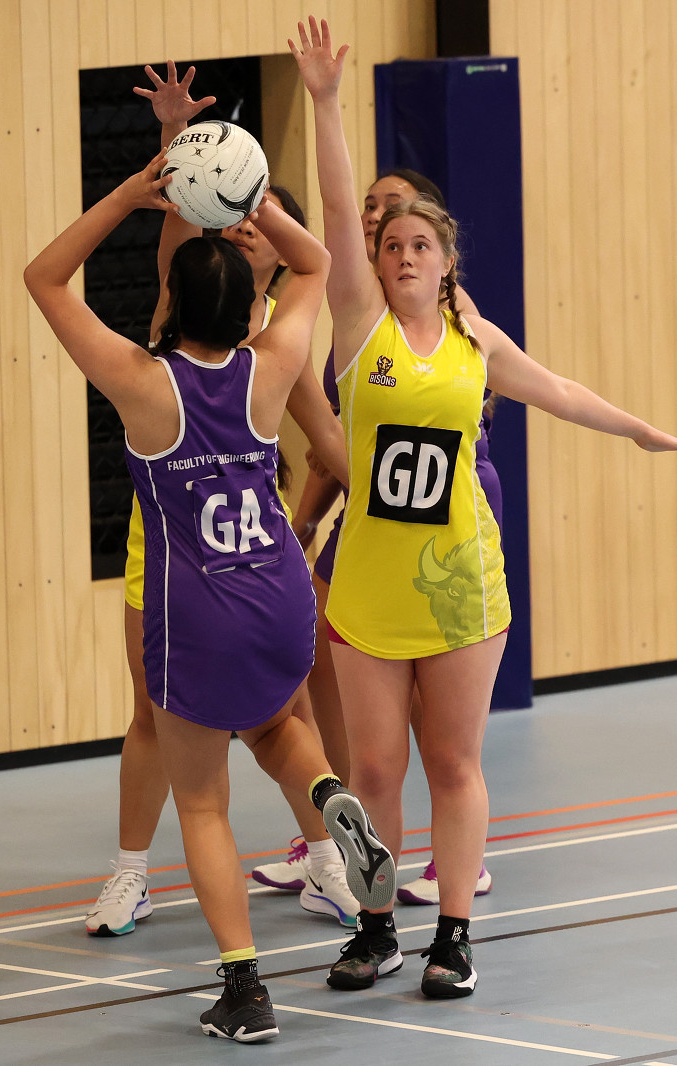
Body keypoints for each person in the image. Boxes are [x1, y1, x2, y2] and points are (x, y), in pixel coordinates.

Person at [291, 16, 677, 999]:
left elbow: (560, 392)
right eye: (390, 244)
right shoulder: (358, 332)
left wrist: (643, 430)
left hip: (460, 584)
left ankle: (455, 936)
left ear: (446, 260)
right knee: (373, 770)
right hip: (370, 586)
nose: (401, 254)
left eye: (419, 244)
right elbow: (339, 211)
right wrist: (325, 103)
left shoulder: (478, 344)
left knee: (452, 760)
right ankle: (376, 928)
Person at [26, 150, 396, 1043]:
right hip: (279, 595)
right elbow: (316, 263)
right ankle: (329, 797)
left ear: (171, 306)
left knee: (202, 804)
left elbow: (44, 278)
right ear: (244, 311)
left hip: (197, 614)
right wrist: (257, 200)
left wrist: (130, 194)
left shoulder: (141, 383)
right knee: (276, 730)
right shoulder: (271, 367)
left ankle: (243, 988)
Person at [85, 64, 364, 941]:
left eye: (253, 222)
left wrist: (334, 504)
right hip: (180, 547)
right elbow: (179, 234)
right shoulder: (197, 319)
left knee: (274, 719)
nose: (241, 230)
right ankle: (132, 873)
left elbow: (328, 443)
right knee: (158, 714)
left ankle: (325, 863)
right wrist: (178, 144)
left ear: (273, 249)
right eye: (233, 219)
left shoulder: (272, 339)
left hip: (234, 556)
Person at [258, 167, 498, 907]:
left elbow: (545, 388)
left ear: (441, 250)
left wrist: (639, 431)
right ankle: (349, 843)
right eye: (373, 212)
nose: (377, 220)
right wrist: (305, 520)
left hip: (445, 514)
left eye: (399, 217)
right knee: (355, 695)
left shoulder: (453, 318)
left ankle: (454, 857)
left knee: (442, 725)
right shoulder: (361, 314)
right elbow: (336, 436)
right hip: (376, 508)